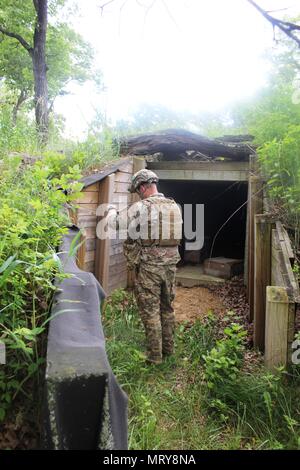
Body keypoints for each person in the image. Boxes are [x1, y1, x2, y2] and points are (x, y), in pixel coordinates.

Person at [106, 169, 182, 364]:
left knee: (150, 311)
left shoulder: (141, 207)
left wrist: (111, 211)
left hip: (150, 267)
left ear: (142, 187)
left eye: (137, 190)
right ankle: (169, 350)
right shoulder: (174, 206)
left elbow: (115, 224)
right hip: (171, 265)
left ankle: (154, 358)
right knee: (167, 308)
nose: (137, 194)